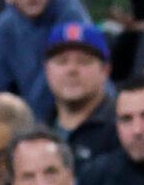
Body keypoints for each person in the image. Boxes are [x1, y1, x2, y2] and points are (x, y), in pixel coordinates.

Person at [42, 22, 120, 164]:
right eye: (62, 61)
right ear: (47, 70)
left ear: (105, 70)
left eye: (84, 61)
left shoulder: (123, 127)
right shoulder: (38, 128)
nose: (72, 69)